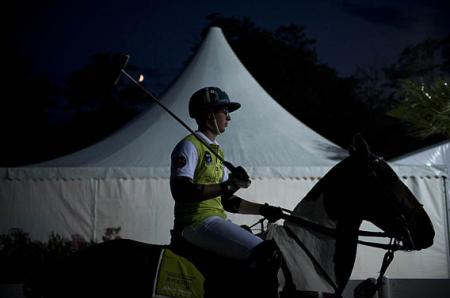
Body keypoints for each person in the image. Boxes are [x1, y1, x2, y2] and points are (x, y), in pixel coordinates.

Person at [169, 86, 284, 265]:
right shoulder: (189, 146)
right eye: (224, 111)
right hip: (194, 223)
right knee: (265, 254)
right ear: (209, 114)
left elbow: (226, 201)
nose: (229, 117)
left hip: (215, 219)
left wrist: (263, 209)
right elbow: (181, 191)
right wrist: (228, 185)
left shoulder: (217, 152)